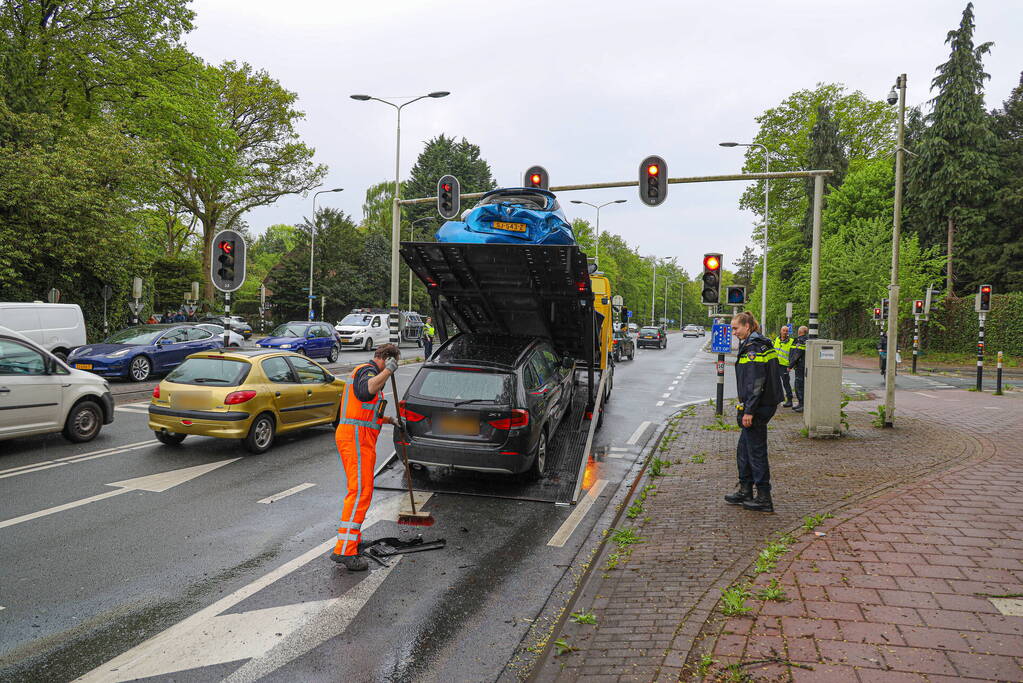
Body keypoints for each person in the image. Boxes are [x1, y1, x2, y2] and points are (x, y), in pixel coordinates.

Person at [331, 344, 401, 571]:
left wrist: (389, 420)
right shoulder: (367, 371)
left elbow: (365, 411)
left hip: (359, 439)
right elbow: (365, 391)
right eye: (394, 362)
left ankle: (353, 541)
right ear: (386, 359)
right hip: (356, 438)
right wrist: (389, 370)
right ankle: (345, 550)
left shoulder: (371, 374)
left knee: (361, 491)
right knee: (360, 492)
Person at [724, 311, 783, 513]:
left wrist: (749, 411)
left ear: (747, 326)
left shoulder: (753, 347)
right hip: (761, 404)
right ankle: (745, 490)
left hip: (758, 406)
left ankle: (764, 497)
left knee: (756, 451)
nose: (733, 332)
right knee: (744, 449)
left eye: (736, 328)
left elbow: (755, 382)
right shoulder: (758, 343)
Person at [773, 325, 795, 407]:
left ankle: (789, 400)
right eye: (783, 330)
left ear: (788, 332)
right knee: (775, 383)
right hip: (775, 365)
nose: (785, 332)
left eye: (786, 331)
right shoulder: (776, 339)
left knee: (786, 383)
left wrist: (790, 366)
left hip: (785, 366)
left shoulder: (791, 341)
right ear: (780, 331)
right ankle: (777, 399)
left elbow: (793, 355)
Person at [790, 326, 808, 412]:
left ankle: (802, 404)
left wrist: (790, 365)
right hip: (805, 365)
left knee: (799, 385)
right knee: (802, 385)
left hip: (800, 366)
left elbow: (796, 354)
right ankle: (801, 404)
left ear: (800, 332)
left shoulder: (800, 341)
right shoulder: (808, 340)